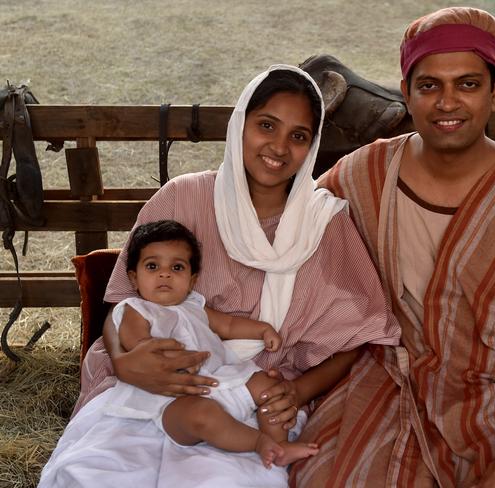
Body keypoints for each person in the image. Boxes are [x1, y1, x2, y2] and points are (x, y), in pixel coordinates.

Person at [291, 7, 495, 488]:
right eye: (429, 86)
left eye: (467, 84)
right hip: (386, 383)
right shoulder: (363, 175)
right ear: (407, 92)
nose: (448, 102)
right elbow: (283, 239)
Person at [39, 65, 400, 488]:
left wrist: (298, 393)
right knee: (94, 473)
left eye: (298, 136)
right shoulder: (183, 197)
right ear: (239, 124)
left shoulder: (325, 223)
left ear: (313, 145)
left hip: (257, 399)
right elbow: (126, 303)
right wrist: (125, 363)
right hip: (148, 382)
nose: (279, 147)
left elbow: (354, 339)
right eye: (266, 125)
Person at [103, 219, 319, 468]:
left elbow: (227, 326)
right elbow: (137, 343)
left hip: (221, 377)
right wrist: (165, 360)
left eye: (177, 267)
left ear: (192, 280)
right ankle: (259, 443)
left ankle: (278, 442)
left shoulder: (195, 305)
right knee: (202, 415)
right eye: (152, 266)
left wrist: (263, 329)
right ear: (134, 278)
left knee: (271, 388)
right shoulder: (136, 309)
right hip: (172, 397)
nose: (165, 274)